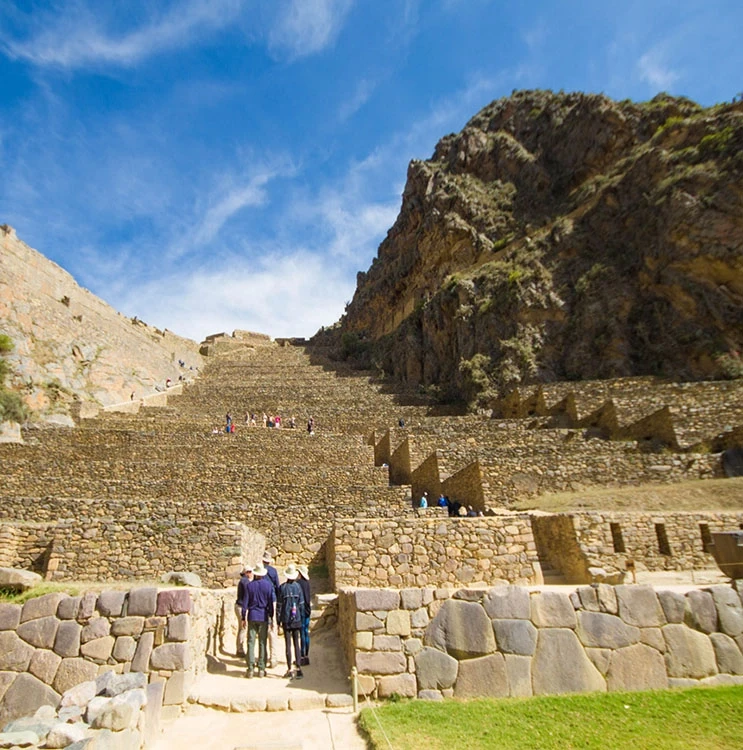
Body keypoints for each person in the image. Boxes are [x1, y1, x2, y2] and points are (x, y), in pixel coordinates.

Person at [242, 563, 274, 678]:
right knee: (262, 642)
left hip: (252, 616)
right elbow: (270, 603)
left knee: (251, 642)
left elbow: (245, 602)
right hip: (263, 616)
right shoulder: (268, 586)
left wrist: (243, 617)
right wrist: (271, 616)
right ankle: (261, 668)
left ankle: (250, 668)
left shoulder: (250, 586)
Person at [277, 564, 306, 679]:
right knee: (296, 643)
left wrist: (278, 620)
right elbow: (301, 604)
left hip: (286, 618)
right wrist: (301, 617)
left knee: (288, 644)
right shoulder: (298, 587)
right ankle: (298, 668)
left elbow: (279, 606)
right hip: (297, 617)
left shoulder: (282, 588)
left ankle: (289, 668)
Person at [262, 551, 281, 668]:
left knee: (262, 629)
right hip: (272, 600)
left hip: (261, 602)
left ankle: (262, 658)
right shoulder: (273, 571)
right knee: (272, 629)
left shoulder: (258, 571)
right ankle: (273, 657)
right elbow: (277, 587)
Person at [235, 566, 253, 657]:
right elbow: (247, 595)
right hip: (242, 607)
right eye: (249, 572)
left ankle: (239, 647)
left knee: (242, 628)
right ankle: (240, 649)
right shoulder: (245, 582)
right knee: (243, 628)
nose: (250, 573)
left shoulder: (243, 581)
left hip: (240, 606)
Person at [297, 564, 312, 666]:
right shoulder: (307, 584)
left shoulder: (298, 584)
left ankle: (302, 655)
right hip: (307, 610)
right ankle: (306, 654)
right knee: (306, 632)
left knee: (301, 633)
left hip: (300, 611)